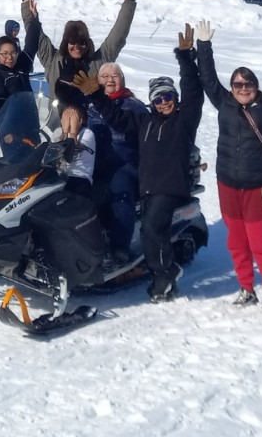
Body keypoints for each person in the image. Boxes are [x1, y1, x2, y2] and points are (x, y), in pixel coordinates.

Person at [83, 24, 206, 302]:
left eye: (167, 97)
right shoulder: (146, 121)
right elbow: (114, 117)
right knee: (151, 233)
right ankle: (164, 276)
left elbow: (194, 93)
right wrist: (95, 95)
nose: (163, 102)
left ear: (175, 99)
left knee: (151, 229)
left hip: (169, 185)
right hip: (149, 184)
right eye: (158, 99)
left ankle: (159, 269)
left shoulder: (183, 121)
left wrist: (186, 60)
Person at [194, 20, 262, 309]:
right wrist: (203, 46)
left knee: (261, 244)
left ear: (256, 86)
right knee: (236, 243)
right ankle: (246, 289)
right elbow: (207, 78)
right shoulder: (225, 102)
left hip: (260, 185)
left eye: (248, 84)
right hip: (228, 184)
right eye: (238, 84)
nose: (243, 88)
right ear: (232, 87)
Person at [17, 0, 138, 98]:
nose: (77, 46)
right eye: (72, 41)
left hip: (92, 117)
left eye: (82, 42)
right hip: (58, 116)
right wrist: (27, 0)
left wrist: (129, 4)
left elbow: (117, 37)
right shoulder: (53, 60)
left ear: (88, 43)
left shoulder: (99, 62)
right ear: (66, 43)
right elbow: (35, 35)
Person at [90, 61, 145, 261]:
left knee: (119, 191)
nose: (110, 80)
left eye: (115, 76)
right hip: (93, 163)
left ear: (122, 80)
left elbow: (124, 123)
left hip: (124, 164)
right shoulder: (90, 105)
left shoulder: (133, 106)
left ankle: (120, 246)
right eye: (105, 77)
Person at [0, 14, 41, 111]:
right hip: (11, 124)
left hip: (32, 120)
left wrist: (34, 18)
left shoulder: (21, 65)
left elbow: (32, 43)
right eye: (5, 54)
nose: (10, 57)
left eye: (13, 53)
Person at [46, 98, 98, 197]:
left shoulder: (87, 133)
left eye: (72, 117)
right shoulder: (58, 132)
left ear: (81, 120)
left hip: (79, 177)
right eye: (66, 117)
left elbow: (69, 153)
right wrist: (64, 131)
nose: (69, 120)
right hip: (59, 177)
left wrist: (73, 132)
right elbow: (54, 154)